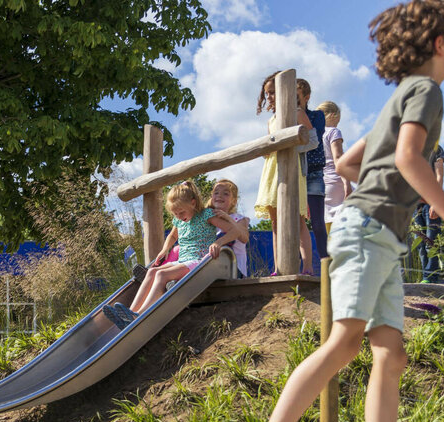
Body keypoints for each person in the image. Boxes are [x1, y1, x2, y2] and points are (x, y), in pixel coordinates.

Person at [232, 1, 444, 422]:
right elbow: (411, 158)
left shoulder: (402, 97)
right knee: (347, 341)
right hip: (369, 230)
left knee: (390, 352)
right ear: (438, 44)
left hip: (383, 238)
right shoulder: (426, 91)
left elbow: (348, 162)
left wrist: (385, 193)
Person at [103, 180, 241, 329]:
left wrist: (218, 243)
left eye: (181, 212)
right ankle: (131, 312)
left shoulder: (206, 215)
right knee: (153, 271)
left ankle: (140, 315)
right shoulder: (179, 220)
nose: (179, 216)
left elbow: (235, 231)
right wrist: (165, 249)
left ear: (193, 204)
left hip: (198, 262)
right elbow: (173, 236)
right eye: (175, 213)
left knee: (162, 276)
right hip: (183, 261)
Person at [254, 71, 315, 275]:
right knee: (274, 221)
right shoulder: (271, 120)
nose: (270, 96)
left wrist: (290, 147)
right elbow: (269, 144)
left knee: (297, 218)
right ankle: (279, 266)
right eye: (267, 93)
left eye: (272, 92)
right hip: (272, 171)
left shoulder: (297, 112)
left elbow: (312, 140)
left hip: (292, 169)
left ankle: (307, 266)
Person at [297, 79, 329, 260]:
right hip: (295, 172)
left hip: (314, 173)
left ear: (307, 97)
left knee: (317, 223)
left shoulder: (317, 116)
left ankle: (326, 265)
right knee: (295, 223)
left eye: (297, 96)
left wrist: (299, 114)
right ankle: (298, 265)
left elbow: (313, 137)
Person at [317, 101, 352, 233]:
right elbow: (338, 159)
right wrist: (347, 184)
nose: (338, 123)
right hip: (335, 181)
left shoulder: (315, 135)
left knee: (328, 225)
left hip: (321, 185)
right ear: (333, 115)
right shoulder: (334, 132)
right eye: (338, 120)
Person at [414, 145, 444, 282]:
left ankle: (430, 276)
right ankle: (428, 276)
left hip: (430, 202)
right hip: (414, 205)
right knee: (420, 244)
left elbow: (439, 176)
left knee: (431, 241)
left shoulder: (435, 149)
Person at [207, 179, 250, 278]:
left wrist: (228, 218)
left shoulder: (239, 219)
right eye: (216, 193)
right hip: (212, 264)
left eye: (225, 194)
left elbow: (244, 238)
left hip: (235, 268)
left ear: (233, 201)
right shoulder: (209, 218)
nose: (219, 196)